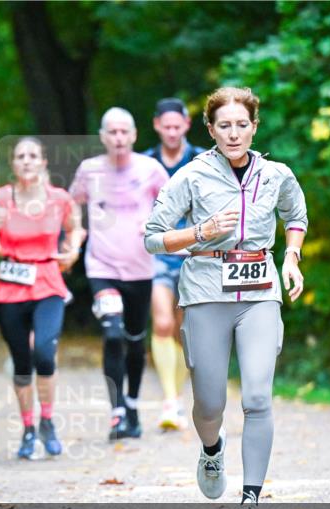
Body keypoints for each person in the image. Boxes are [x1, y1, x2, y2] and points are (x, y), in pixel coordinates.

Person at [144, 86, 308, 509]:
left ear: (254, 126)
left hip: (259, 292)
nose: (233, 133)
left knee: (257, 398)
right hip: (205, 292)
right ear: (210, 129)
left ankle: (251, 503)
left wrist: (291, 257)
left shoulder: (276, 174)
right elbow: (153, 236)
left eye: (242, 124)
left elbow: (296, 216)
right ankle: (211, 449)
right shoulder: (191, 176)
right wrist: (197, 231)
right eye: (224, 125)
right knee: (211, 403)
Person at [0, 137, 85, 459]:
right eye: (20, 156)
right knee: (22, 362)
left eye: (32, 156)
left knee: (43, 352)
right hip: (10, 285)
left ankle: (48, 421)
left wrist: (74, 249)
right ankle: (27, 429)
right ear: (13, 164)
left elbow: (75, 227)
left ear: (43, 162)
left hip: (48, 281)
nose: (26, 161)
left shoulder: (59, 199)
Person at [69, 108, 170, 441]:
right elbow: (70, 205)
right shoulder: (90, 170)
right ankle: (116, 413)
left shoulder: (150, 169)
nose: (118, 138)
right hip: (102, 267)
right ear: (102, 137)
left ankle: (132, 405)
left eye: (124, 132)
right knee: (112, 334)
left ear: (134, 135)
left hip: (141, 269)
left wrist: (155, 222)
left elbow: (173, 205)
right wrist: (75, 234)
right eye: (112, 132)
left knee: (135, 341)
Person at [144, 98, 207, 431]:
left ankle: (177, 396)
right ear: (157, 126)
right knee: (163, 323)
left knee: (186, 330)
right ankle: (169, 400)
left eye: (176, 126)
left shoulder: (202, 159)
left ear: (186, 124)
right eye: (165, 127)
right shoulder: (145, 162)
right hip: (157, 255)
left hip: (194, 254)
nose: (171, 132)